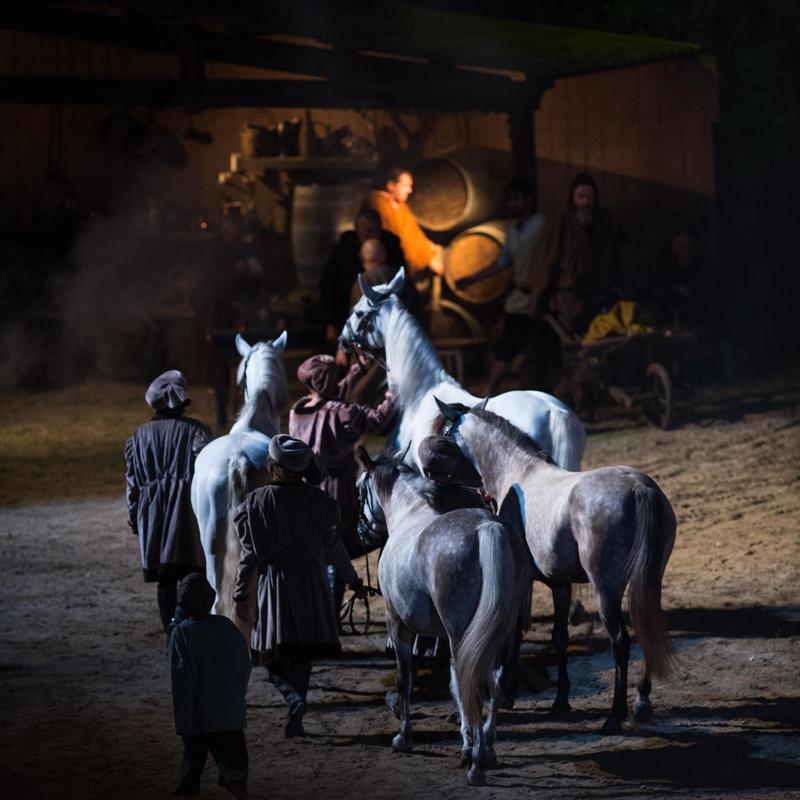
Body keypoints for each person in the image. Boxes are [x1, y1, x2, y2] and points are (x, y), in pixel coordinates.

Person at [232, 435, 366, 737]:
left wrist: (240, 593)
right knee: (303, 652)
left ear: (272, 465)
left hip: (275, 584)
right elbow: (334, 548)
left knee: (269, 652)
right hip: (311, 584)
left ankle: (292, 698)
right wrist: (353, 581)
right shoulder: (320, 502)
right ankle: (298, 704)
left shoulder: (256, 503)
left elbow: (249, 554)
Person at [289, 354, 395, 611]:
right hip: (338, 488)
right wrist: (394, 395)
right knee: (338, 549)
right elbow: (377, 420)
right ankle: (331, 614)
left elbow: (328, 395)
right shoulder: (343, 413)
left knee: (318, 548)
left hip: (306, 488)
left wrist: (359, 369)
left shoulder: (297, 411)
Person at [125, 370, 211, 633]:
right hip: (186, 509)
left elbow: (132, 482)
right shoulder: (196, 432)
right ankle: (190, 626)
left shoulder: (138, 436)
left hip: (153, 512)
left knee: (165, 577)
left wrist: (133, 515)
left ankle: (170, 632)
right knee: (191, 571)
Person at [528, 173, 620, 411]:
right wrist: (540, 301)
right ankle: (580, 403)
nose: (585, 202)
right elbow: (546, 263)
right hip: (568, 301)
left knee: (598, 348)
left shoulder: (604, 221)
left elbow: (613, 256)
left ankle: (596, 398)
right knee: (575, 354)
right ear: (573, 198)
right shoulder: (561, 224)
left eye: (589, 196)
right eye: (581, 197)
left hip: (597, 299)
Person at [455, 180, 545, 396]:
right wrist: (472, 278)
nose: (512, 204)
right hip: (520, 298)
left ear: (528, 200)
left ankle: (495, 391)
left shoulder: (541, 225)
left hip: (541, 298)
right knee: (507, 346)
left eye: (516, 199)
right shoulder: (512, 230)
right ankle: (489, 392)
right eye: (510, 200)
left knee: (536, 349)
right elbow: (503, 261)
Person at [168, 573, 251, 800]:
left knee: (191, 771)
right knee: (234, 770)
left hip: (198, 716)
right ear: (210, 599)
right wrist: (236, 696)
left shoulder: (182, 634)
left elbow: (181, 680)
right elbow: (244, 665)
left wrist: (184, 721)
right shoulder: (226, 626)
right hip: (228, 715)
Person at [319, 207, 405, 350]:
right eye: (365, 230)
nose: (369, 234)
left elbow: (402, 283)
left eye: (373, 230)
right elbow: (331, 287)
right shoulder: (344, 250)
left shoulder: (391, 247)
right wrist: (331, 323)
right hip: (349, 312)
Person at [366, 167, 445, 278]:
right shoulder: (377, 204)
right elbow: (396, 241)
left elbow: (414, 234)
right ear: (391, 185)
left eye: (410, 186)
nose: (410, 190)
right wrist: (427, 259)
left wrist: (430, 254)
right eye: (405, 186)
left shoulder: (400, 206)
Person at [349, 237, 429, 333]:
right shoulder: (401, 278)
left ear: (361, 257)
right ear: (385, 254)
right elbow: (418, 312)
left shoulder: (360, 283)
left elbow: (354, 321)